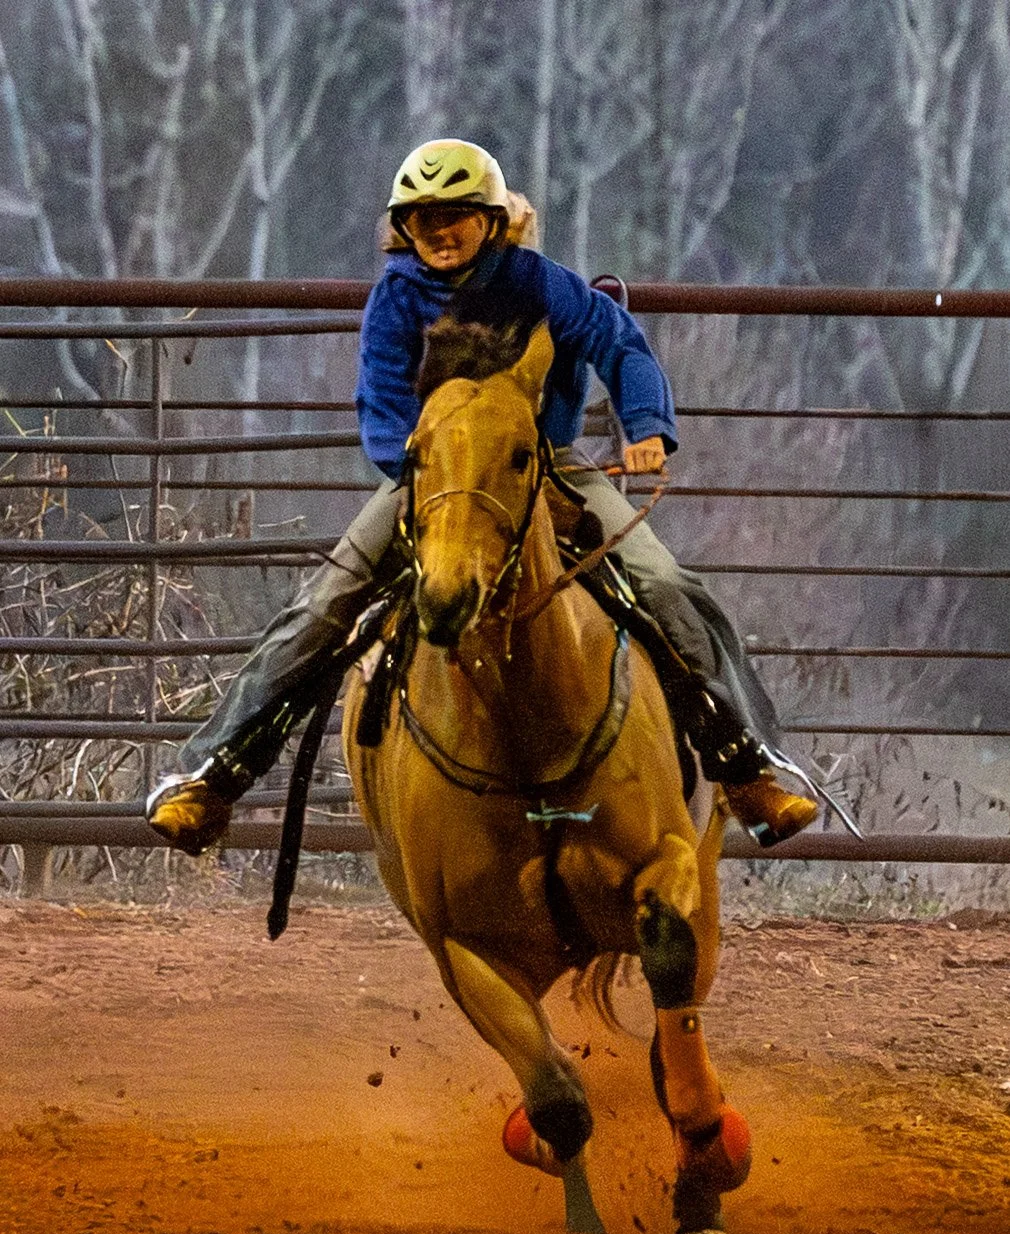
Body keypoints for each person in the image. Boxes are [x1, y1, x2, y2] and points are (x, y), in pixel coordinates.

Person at [146, 138, 818, 855]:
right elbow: (381, 405)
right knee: (324, 604)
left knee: (664, 584)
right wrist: (429, 472)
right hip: (434, 480)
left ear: (493, 220)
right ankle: (213, 774)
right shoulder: (396, 300)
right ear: (403, 229)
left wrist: (647, 424)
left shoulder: (540, 283)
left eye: (456, 215)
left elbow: (619, 343)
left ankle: (747, 763)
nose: (439, 232)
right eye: (422, 219)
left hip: (548, 465)